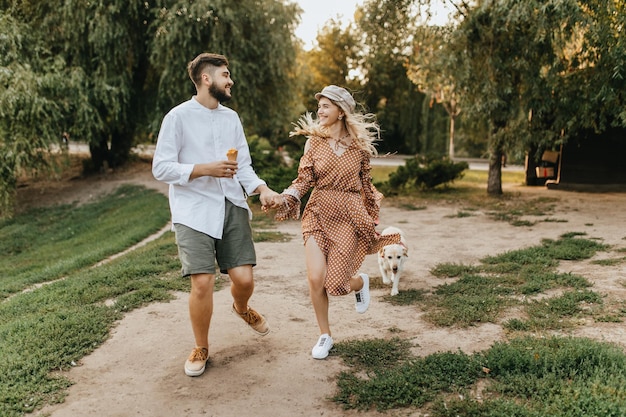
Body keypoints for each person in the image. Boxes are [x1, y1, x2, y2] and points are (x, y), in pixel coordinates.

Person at [152, 53, 279, 377]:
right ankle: (201, 346)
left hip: (231, 204)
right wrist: (203, 169)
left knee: (244, 279)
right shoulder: (177, 117)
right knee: (203, 282)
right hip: (192, 209)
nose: (230, 80)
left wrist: (261, 189)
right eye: (225, 74)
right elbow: (161, 167)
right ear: (206, 79)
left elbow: (244, 167)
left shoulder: (231, 118)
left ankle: (241, 307)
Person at [269, 85, 401, 359]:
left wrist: (371, 215)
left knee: (336, 284)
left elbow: (366, 185)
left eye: (326, 105)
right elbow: (304, 179)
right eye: (319, 105)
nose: (320, 110)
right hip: (318, 211)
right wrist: (286, 197)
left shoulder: (359, 148)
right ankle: (324, 335)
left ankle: (359, 283)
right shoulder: (313, 142)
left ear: (341, 111)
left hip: (348, 217)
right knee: (316, 279)